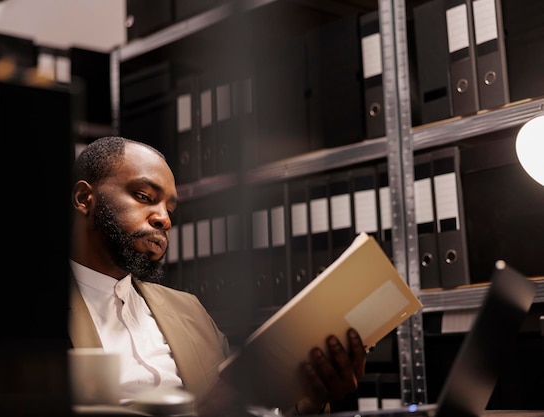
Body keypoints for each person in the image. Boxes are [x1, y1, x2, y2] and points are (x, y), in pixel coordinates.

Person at [68, 136, 367, 416]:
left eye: (170, 209)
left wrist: (310, 402)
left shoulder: (188, 310)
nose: (164, 219)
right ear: (84, 198)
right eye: (144, 196)